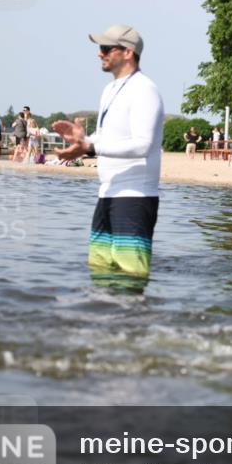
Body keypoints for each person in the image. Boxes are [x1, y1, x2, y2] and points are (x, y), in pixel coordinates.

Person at [52, 24, 165, 282]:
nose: (99, 53)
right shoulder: (110, 90)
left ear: (127, 52)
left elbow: (143, 145)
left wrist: (90, 147)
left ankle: (134, 322)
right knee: (100, 272)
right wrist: (80, 141)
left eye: (105, 48)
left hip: (135, 196)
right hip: (107, 192)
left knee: (130, 278)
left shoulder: (144, 89)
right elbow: (105, 139)